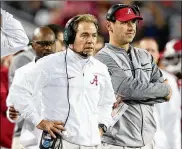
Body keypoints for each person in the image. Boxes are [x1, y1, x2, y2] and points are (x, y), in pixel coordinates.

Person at [7, 14, 115, 149]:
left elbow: (107, 102)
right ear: (70, 37)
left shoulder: (101, 69)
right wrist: (39, 121)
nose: (91, 40)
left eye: (93, 35)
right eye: (84, 35)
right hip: (59, 143)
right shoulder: (50, 63)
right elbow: (18, 90)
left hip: (91, 144)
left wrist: (101, 127)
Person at [95, 4, 172, 149]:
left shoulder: (144, 55)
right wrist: (160, 90)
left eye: (133, 22)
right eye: (124, 22)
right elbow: (127, 89)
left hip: (149, 141)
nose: (131, 27)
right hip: (116, 143)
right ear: (109, 26)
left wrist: (160, 90)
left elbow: (167, 93)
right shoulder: (102, 59)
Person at [6, 26, 57, 149]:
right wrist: (13, 114)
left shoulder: (67, 72)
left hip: (60, 139)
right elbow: (13, 107)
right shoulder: (23, 73)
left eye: (51, 44)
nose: (48, 48)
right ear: (33, 45)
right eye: (43, 44)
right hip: (31, 140)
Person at [139, 37, 181, 149]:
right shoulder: (127, 79)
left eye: (153, 50)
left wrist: (175, 145)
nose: (150, 53)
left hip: (159, 143)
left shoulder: (169, 80)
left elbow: (172, 117)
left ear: (158, 55)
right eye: (146, 50)